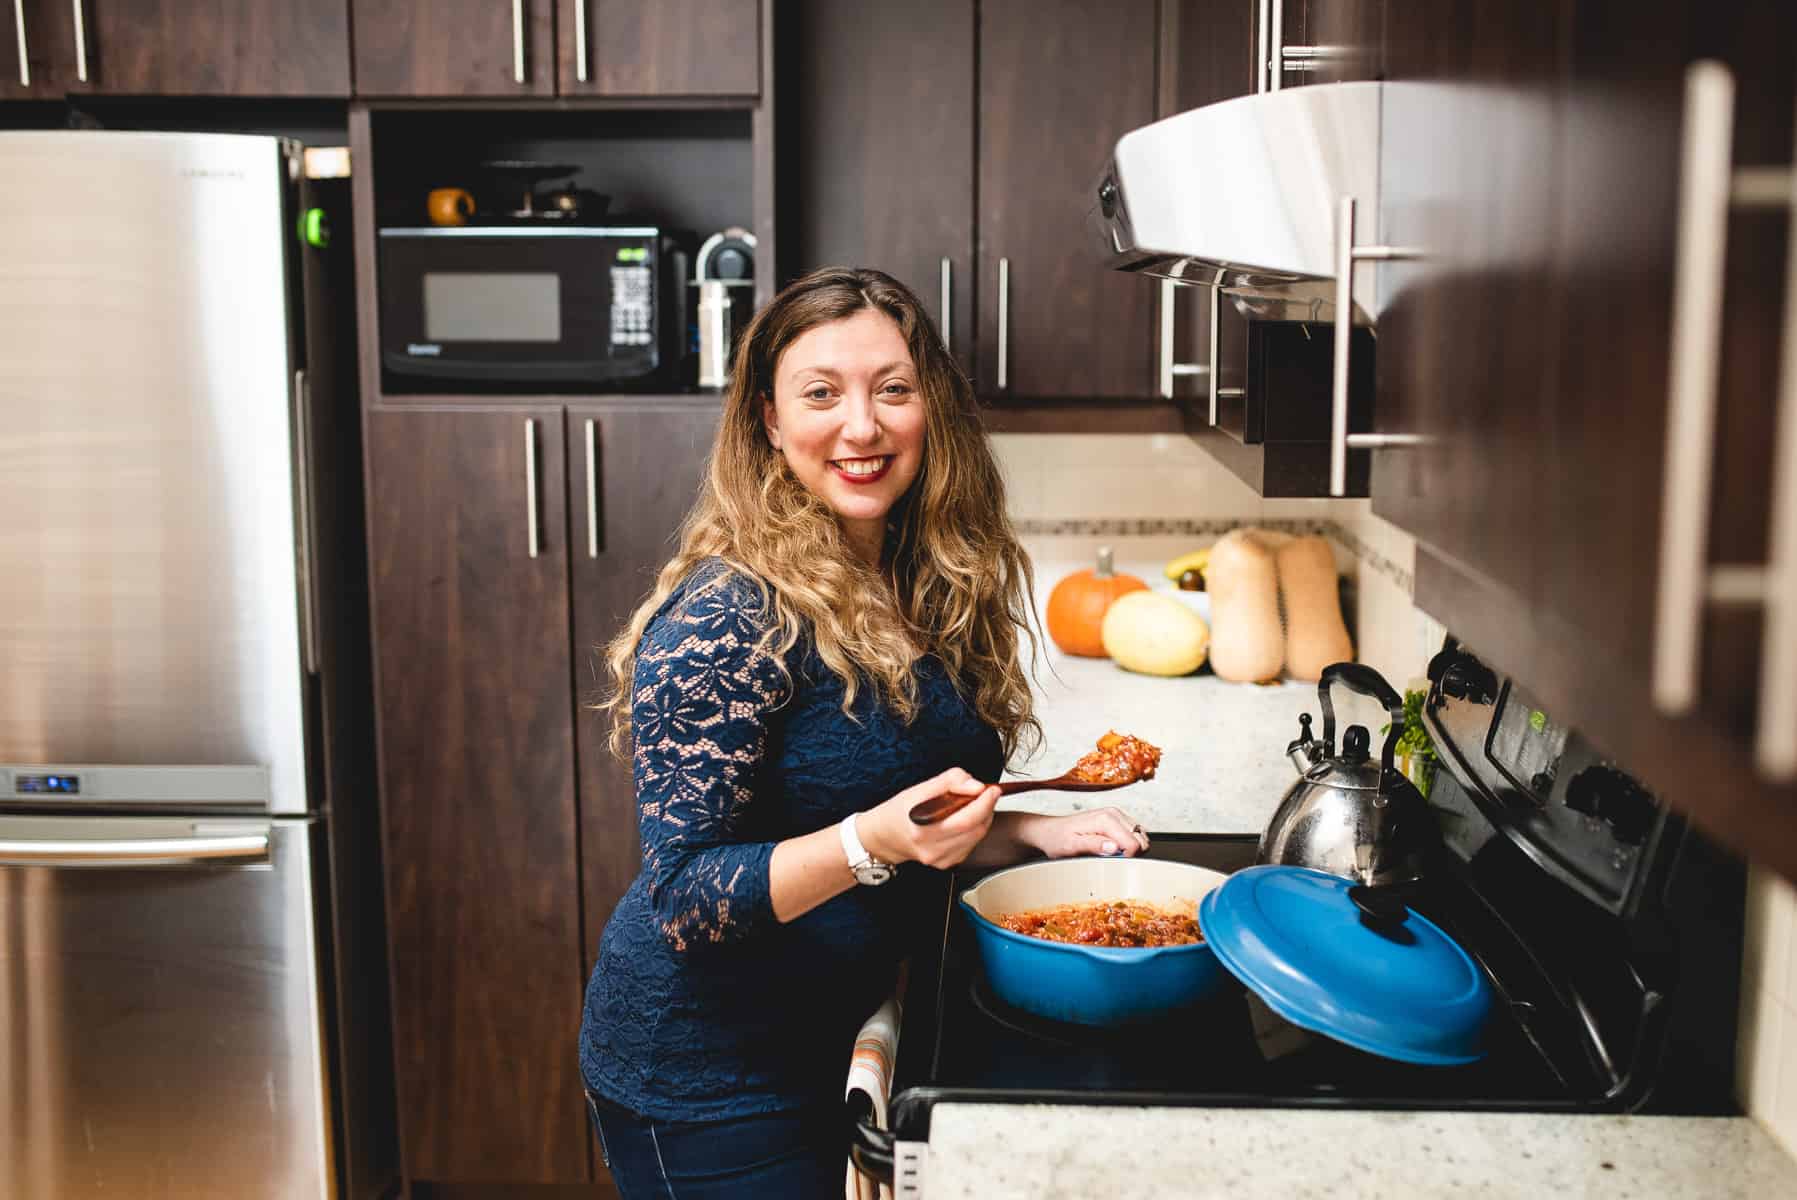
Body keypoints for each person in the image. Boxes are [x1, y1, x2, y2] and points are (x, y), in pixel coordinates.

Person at [577, 266, 1151, 1198]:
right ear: (767, 420)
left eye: (892, 389)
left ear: (933, 407)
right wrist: (868, 843)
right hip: (706, 1079)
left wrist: (1019, 831)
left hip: (825, 1031)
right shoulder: (730, 613)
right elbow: (685, 897)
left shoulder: (922, 576)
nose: (861, 427)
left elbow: (889, 805)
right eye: (820, 394)